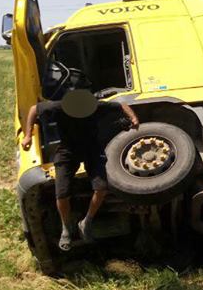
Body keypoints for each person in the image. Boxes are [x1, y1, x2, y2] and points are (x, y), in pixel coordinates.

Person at [21, 89, 139, 250]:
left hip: (92, 149)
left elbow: (121, 105)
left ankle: (87, 222)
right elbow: (34, 109)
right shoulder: (59, 107)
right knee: (62, 193)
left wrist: (133, 118)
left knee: (101, 188)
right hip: (67, 150)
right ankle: (66, 227)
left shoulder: (96, 106)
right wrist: (28, 135)